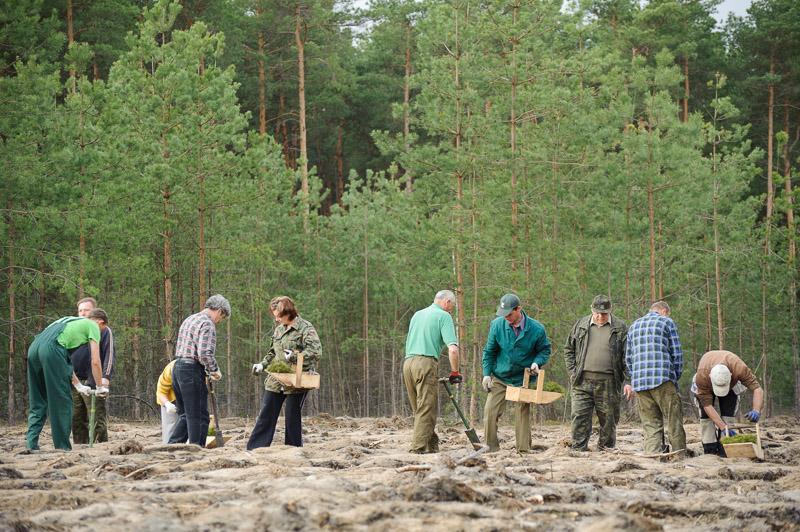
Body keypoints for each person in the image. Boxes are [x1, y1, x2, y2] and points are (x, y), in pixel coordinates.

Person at [26, 312, 108, 451]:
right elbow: (95, 361)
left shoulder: (68, 321)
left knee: (38, 400)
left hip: (33, 349)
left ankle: (31, 444)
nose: (99, 333)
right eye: (102, 330)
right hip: (51, 349)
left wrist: (79, 385)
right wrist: (100, 386)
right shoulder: (92, 325)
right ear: (100, 322)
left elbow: (64, 362)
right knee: (62, 401)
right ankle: (62, 448)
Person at [248, 296, 322, 449]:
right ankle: (256, 448)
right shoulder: (279, 329)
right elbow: (272, 352)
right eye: (275, 316)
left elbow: (316, 352)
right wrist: (262, 365)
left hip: (297, 379)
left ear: (288, 312)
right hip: (276, 377)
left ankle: (293, 449)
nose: (276, 320)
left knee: (291, 415)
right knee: (266, 413)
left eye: (278, 316)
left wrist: (294, 356)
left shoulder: (305, 328)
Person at [482, 293, 551, 452]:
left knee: (522, 414)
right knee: (490, 412)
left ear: (518, 309)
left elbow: (544, 351)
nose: (506, 317)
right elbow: (489, 352)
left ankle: (524, 450)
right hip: (500, 376)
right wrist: (487, 374)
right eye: (503, 314)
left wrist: (536, 362)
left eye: (509, 314)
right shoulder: (497, 325)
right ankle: (490, 449)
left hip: (522, 378)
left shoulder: (536, 328)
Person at [400, 290, 462, 454]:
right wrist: (455, 372)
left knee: (419, 409)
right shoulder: (444, 316)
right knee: (426, 407)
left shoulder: (417, 315)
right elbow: (453, 350)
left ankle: (432, 445)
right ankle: (417, 449)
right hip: (425, 363)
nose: (451, 310)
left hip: (408, 363)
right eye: (452, 307)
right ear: (447, 302)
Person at [564, 295, 628, 451]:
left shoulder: (620, 327)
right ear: (591, 310)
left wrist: (628, 380)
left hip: (609, 382)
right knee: (579, 417)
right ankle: (578, 450)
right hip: (581, 380)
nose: (600, 316)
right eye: (597, 313)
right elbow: (568, 350)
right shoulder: (581, 325)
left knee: (608, 420)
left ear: (610, 311)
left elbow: (628, 355)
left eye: (604, 313)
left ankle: (606, 451)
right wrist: (572, 372)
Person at [624, 300, 686, 455]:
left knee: (650, 425)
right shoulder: (667, 322)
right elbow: (676, 353)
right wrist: (675, 377)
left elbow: (628, 358)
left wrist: (635, 378)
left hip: (640, 383)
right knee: (674, 421)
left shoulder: (634, 325)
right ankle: (679, 457)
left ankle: (653, 458)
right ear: (664, 311)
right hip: (662, 379)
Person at [168, 294, 230, 446]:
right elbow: (204, 353)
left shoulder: (190, 318)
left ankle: (172, 446)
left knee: (186, 415)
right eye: (222, 317)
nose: (219, 321)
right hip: (191, 370)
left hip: (177, 368)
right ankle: (197, 449)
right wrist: (214, 370)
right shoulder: (207, 324)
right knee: (199, 416)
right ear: (219, 311)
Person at [691, 350, 764, 456]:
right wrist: (722, 426)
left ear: (730, 374)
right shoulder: (702, 376)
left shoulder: (739, 368)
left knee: (728, 415)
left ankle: (725, 448)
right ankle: (709, 448)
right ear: (711, 376)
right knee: (705, 417)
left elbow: (757, 389)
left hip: (732, 385)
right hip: (705, 384)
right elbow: (707, 405)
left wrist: (756, 410)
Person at [71, 298, 117, 443]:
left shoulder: (104, 330)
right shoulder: (74, 330)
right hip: (75, 380)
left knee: (97, 418)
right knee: (76, 418)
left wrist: (105, 377)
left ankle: (101, 448)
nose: (83, 313)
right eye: (80, 310)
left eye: (86, 310)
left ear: (94, 313)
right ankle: (80, 448)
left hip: (94, 380)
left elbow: (109, 354)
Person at [156, 360, 179, 444]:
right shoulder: (170, 369)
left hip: (187, 399)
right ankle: (167, 448)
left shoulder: (198, 369)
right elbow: (161, 392)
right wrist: (167, 404)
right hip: (169, 400)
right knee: (171, 427)